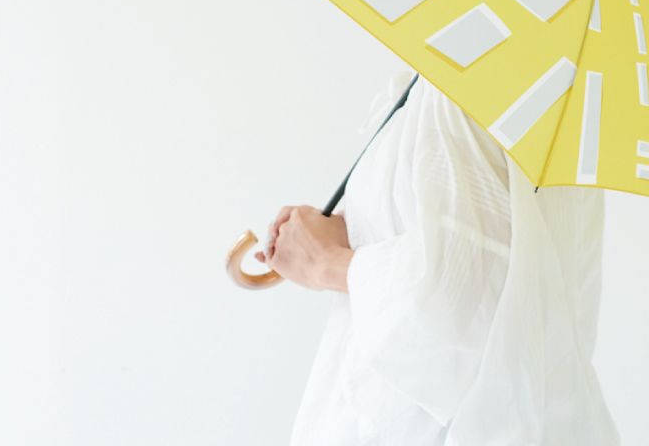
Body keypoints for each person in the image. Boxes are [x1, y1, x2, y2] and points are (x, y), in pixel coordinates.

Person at [257, 63, 622, 445]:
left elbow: (456, 303)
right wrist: (355, 230)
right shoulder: (556, 101)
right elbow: (494, 252)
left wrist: (328, 263)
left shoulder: (460, 91)